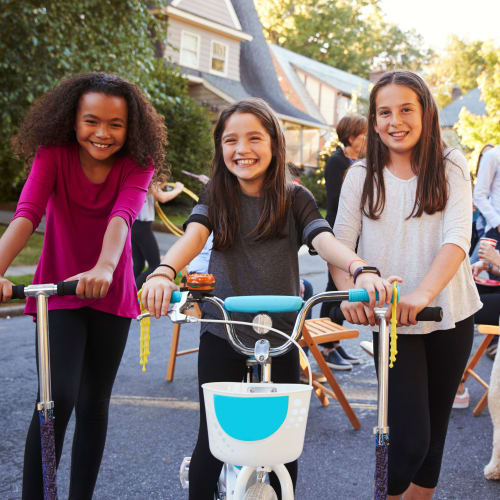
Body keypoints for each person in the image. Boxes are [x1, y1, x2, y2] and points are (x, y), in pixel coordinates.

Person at [141, 98, 392, 499]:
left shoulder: (294, 197)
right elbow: (193, 238)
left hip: (281, 337)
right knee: (211, 442)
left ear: (274, 144)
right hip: (223, 331)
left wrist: (361, 267)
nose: (242, 149)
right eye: (231, 140)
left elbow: (323, 240)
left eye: (254, 138)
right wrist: (162, 272)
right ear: (220, 148)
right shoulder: (216, 195)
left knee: (283, 448)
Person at [0, 72, 166, 499]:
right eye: (92, 121)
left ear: (131, 128)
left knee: (94, 404)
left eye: (116, 124)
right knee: (55, 400)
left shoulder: (137, 163)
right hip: (56, 289)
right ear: (72, 119)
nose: (103, 133)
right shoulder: (53, 154)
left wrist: (106, 268)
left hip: (108, 288)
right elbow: (26, 213)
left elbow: (123, 216)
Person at [330, 70, 482, 499]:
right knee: (407, 441)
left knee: (433, 439)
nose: (395, 120)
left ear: (425, 113)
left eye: (405, 109)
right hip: (392, 323)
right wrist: (350, 294)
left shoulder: (450, 164)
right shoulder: (360, 175)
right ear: (373, 121)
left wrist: (421, 295)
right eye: (384, 112)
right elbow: (340, 245)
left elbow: (457, 238)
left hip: (449, 312)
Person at [320, 114, 368, 370]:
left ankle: (335, 343)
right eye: (364, 136)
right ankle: (326, 346)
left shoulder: (363, 162)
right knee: (333, 292)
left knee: (347, 290)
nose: (369, 140)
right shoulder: (336, 163)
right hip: (338, 234)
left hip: (358, 233)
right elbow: (338, 202)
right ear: (351, 137)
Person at [132, 180, 184, 289]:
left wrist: (159, 185)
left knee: (139, 264)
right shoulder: (148, 176)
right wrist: (178, 189)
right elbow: (163, 197)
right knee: (155, 265)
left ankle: (124, 293)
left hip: (133, 225)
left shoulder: (137, 175)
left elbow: (151, 193)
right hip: (142, 226)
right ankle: (131, 293)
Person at [470, 144, 495, 262]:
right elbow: (478, 197)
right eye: (483, 156)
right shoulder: (477, 183)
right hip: (478, 228)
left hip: (487, 229)